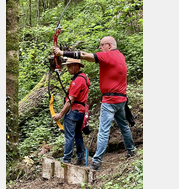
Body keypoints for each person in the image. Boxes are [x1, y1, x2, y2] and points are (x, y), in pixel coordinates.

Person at [53, 36, 135, 171]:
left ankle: (96, 162)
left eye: (101, 45)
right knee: (123, 126)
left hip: (109, 101)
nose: (100, 48)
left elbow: (85, 55)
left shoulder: (108, 56)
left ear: (109, 45)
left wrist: (62, 53)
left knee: (103, 131)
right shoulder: (121, 56)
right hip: (121, 100)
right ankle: (131, 150)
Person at [52, 58, 90, 165]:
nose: (68, 69)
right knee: (78, 135)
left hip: (72, 112)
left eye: (70, 66)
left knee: (69, 136)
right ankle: (81, 159)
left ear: (76, 66)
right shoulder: (85, 78)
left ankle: (66, 160)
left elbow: (70, 100)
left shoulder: (77, 80)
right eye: (67, 67)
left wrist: (60, 114)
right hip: (81, 112)